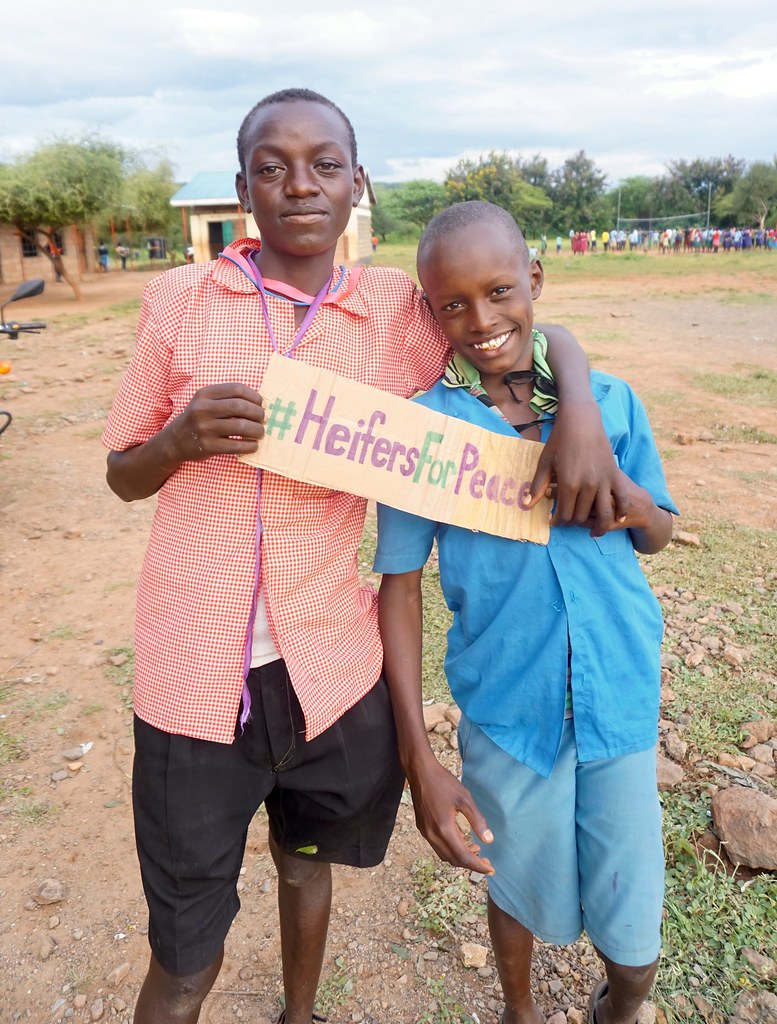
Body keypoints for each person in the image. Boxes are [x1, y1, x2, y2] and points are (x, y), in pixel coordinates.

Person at [102, 90, 629, 1024]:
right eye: (271, 167)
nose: (298, 185)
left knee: (306, 865)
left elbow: (508, 333)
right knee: (184, 953)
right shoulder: (178, 302)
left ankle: (298, 1015)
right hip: (192, 676)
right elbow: (121, 472)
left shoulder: (391, 308)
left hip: (327, 672)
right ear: (241, 187)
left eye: (324, 166)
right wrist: (176, 441)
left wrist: (577, 396)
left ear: (358, 185)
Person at [375, 201, 677, 1024]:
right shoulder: (427, 432)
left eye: (501, 290)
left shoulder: (609, 401)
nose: (481, 319)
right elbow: (398, 582)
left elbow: (659, 532)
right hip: (508, 706)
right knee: (509, 876)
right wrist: (417, 757)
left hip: (616, 692)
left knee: (633, 905)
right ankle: (518, 1011)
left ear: (534, 279)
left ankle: (619, 1006)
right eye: (453, 304)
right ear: (429, 310)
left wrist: (631, 503)